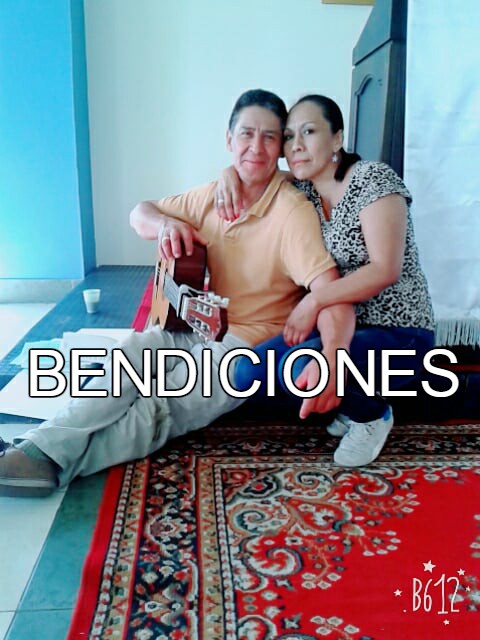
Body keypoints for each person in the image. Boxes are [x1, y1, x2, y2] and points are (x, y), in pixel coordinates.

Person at [0, 89, 355, 497]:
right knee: (132, 353)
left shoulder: (291, 213)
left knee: (159, 406)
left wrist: (333, 360)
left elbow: (333, 292)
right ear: (229, 139)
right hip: (195, 326)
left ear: (279, 149)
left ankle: (45, 464)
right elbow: (140, 213)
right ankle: (36, 447)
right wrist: (165, 225)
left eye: (269, 137)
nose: (256, 147)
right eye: (246, 134)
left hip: (243, 345)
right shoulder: (213, 194)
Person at [215, 94, 435, 467]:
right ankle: (349, 398)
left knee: (304, 365)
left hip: (401, 331)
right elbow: (257, 173)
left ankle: (372, 415)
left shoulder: (372, 179)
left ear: (337, 138)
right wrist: (227, 174)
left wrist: (314, 301)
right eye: (288, 137)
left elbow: (385, 269)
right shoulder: (305, 190)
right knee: (247, 370)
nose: (296, 146)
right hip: (341, 325)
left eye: (309, 132)